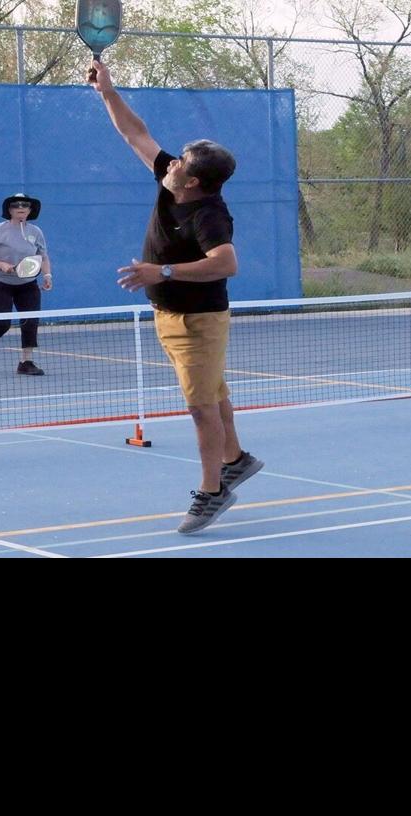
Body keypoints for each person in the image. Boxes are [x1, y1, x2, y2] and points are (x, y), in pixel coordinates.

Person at [87, 58, 263, 535]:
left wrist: (159, 270)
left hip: (198, 322)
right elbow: (135, 134)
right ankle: (237, 460)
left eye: (181, 162)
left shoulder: (210, 215)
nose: (170, 161)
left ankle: (213, 490)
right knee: (215, 394)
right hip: (169, 314)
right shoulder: (171, 179)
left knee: (200, 406)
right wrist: (108, 91)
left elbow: (227, 263)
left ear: (194, 182)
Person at [0, 193, 52, 375]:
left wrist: (47, 275)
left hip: (27, 283)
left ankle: (26, 362)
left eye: (25, 205)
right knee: (1, 323)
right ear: (9, 210)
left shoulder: (36, 232)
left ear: (31, 210)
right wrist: (1, 265)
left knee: (30, 320)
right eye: (16, 205)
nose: (21, 207)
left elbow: (43, 256)